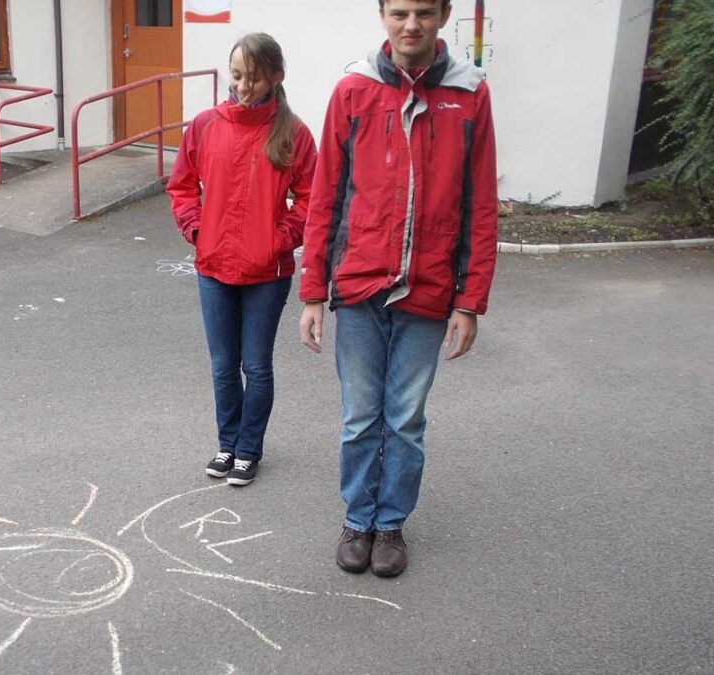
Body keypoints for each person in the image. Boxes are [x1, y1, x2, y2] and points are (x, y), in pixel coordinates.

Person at [299, 0, 498, 576]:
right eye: (400, 12)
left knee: (405, 419)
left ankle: (391, 526)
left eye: (425, 13)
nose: (412, 25)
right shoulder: (354, 91)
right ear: (382, 14)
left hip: (430, 290)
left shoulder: (469, 95)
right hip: (360, 285)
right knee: (361, 416)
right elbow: (325, 198)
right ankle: (357, 520)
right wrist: (314, 291)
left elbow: (479, 206)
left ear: (444, 15)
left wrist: (470, 300)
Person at [167, 33, 317, 487]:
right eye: (236, 76)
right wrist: (197, 230)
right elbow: (181, 186)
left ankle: (249, 450)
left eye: (253, 77)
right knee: (222, 365)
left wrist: (280, 238)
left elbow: (311, 199)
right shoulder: (206, 125)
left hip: (266, 273)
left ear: (276, 76)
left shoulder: (293, 133)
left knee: (256, 365)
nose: (243, 86)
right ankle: (226, 444)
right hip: (213, 267)